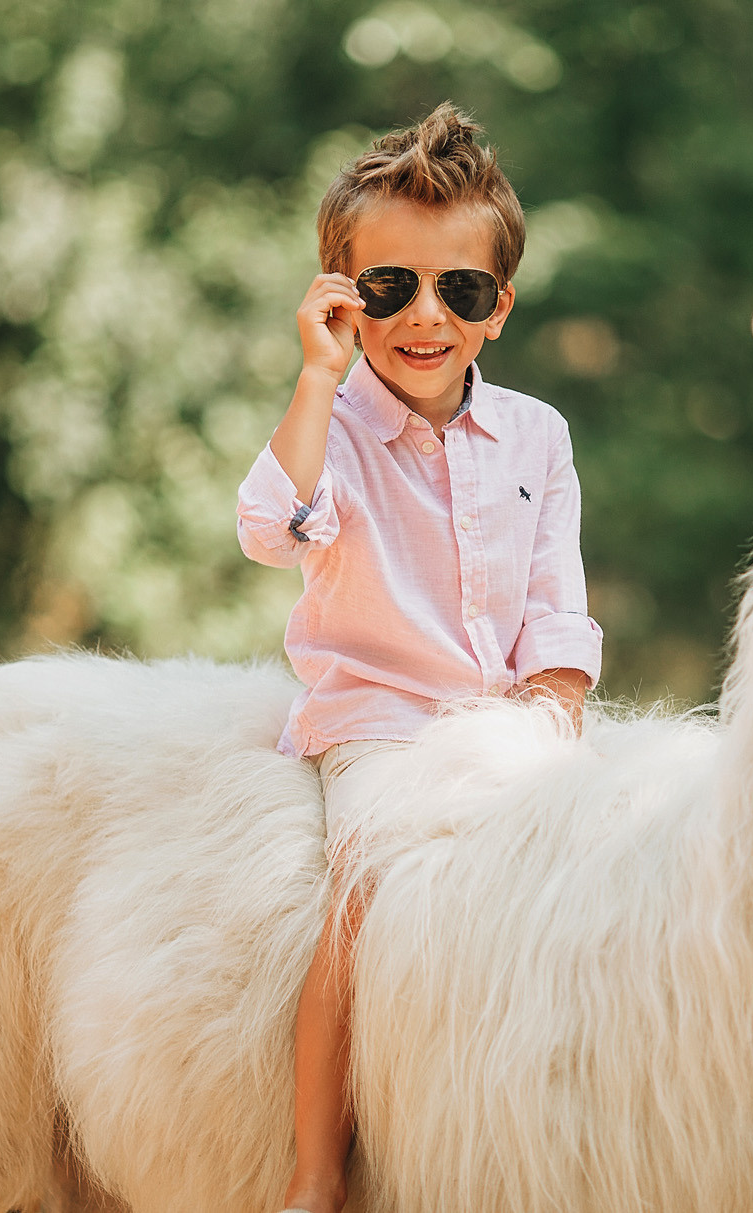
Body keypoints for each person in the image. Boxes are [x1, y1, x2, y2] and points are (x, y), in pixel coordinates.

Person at [235, 103, 603, 1213]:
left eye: (461, 290)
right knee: (361, 898)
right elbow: (268, 528)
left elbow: (555, 606)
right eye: (389, 290)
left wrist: (553, 714)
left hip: (511, 723)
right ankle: (316, 1167)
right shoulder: (333, 432)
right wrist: (313, 377)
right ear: (346, 301)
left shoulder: (537, 435)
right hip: (382, 726)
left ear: (496, 310)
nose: (424, 317)